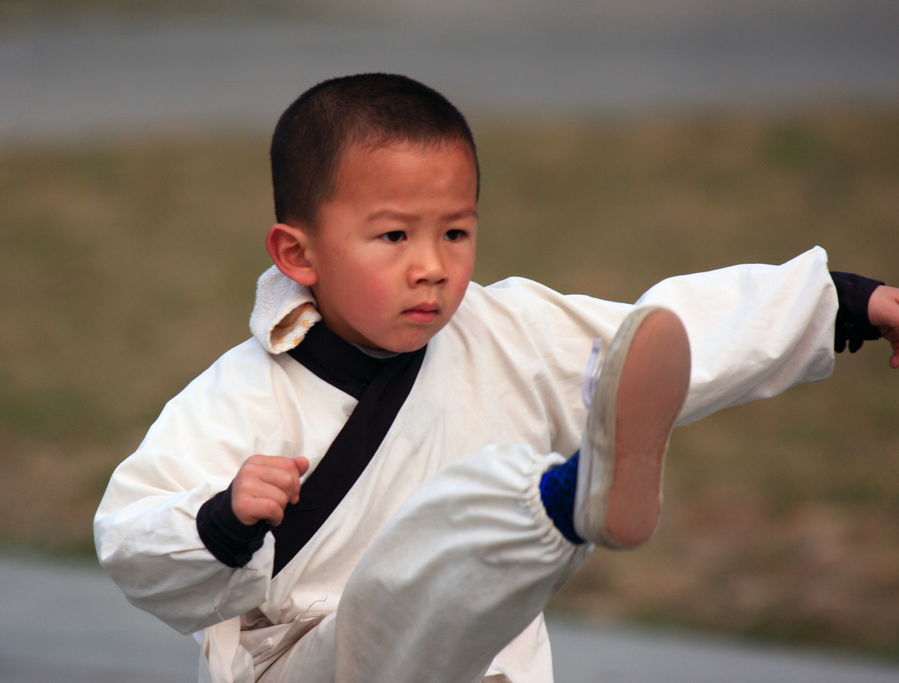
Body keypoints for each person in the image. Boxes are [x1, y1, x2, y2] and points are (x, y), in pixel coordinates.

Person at [94, 73, 899, 683]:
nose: (433, 267)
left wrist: (851, 304)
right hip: (313, 663)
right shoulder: (242, 393)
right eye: (393, 236)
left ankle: (571, 494)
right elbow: (128, 530)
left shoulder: (506, 332)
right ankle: (560, 501)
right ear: (297, 254)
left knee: (614, 365)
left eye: (455, 231)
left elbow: (674, 337)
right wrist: (219, 519)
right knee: (410, 570)